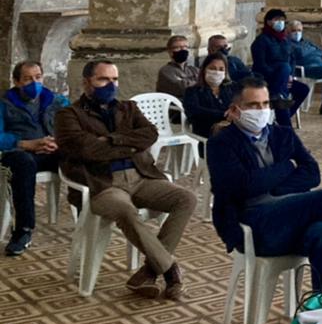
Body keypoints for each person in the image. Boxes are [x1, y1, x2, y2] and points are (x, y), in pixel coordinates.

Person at [208, 76, 322, 293]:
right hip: (253, 225)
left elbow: (312, 174)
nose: (261, 110)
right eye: (253, 105)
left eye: (265, 104)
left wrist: (273, 187)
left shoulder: (282, 134)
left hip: (291, 217)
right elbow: (242, 187)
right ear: (236, 110)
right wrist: (287, 167)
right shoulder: (221, 144)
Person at [54, 59, 196, 299]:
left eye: (114, 79)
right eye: (103, 79)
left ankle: (148, 272)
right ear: (87, 83)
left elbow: (149, 134)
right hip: (102, 183)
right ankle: (170, 270)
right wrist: (129, 144)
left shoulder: (128, 108)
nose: (110, 85)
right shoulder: (68, 115)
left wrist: (112, 140)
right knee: (125, 210)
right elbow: (86, 149)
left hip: (141, 176)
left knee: (186, 198)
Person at [1, 60, 68, 256]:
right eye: (28, 79)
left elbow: (72, 126)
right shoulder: (4, 103)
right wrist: (25, 144)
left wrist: (59, 142)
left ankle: (88, 213)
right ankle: (23, 230)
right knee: (24, 164)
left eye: (38, 78)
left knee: (79, 157)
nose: (35, 83)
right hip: (19, 154)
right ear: (16, 81)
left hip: (51, 150)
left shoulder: (56, 101)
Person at [250, 8, 310, 121]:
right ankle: (282, 115)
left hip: (284, 79)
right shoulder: (261, 41)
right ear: (268, 22)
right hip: (267, 78)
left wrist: (290, 76)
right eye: (277, 19)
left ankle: (282, 111)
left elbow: (292, 59)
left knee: (303, 89)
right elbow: (260, 64)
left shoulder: (285, 40)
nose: (280, 22)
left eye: (282, 20)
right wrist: (278, 76)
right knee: (284, 70)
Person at [288, 19, 322, 116]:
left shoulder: (307, 42)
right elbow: (300, 54)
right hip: (305, 69)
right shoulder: (288, 44)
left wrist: (308, 52)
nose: (297, 33)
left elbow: (321, 52)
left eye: (299, 30)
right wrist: (312, 51)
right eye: (294, 30)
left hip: (319, 65)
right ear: (288, 32)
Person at [183, 53, 235, 139]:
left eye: (221, 69)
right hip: (206, 130)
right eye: (212, 68)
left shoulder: (231, 89)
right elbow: (194, 112)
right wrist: (224, 114)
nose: (217, 72)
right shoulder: (192, 91)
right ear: (204, 70)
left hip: (231, 126)